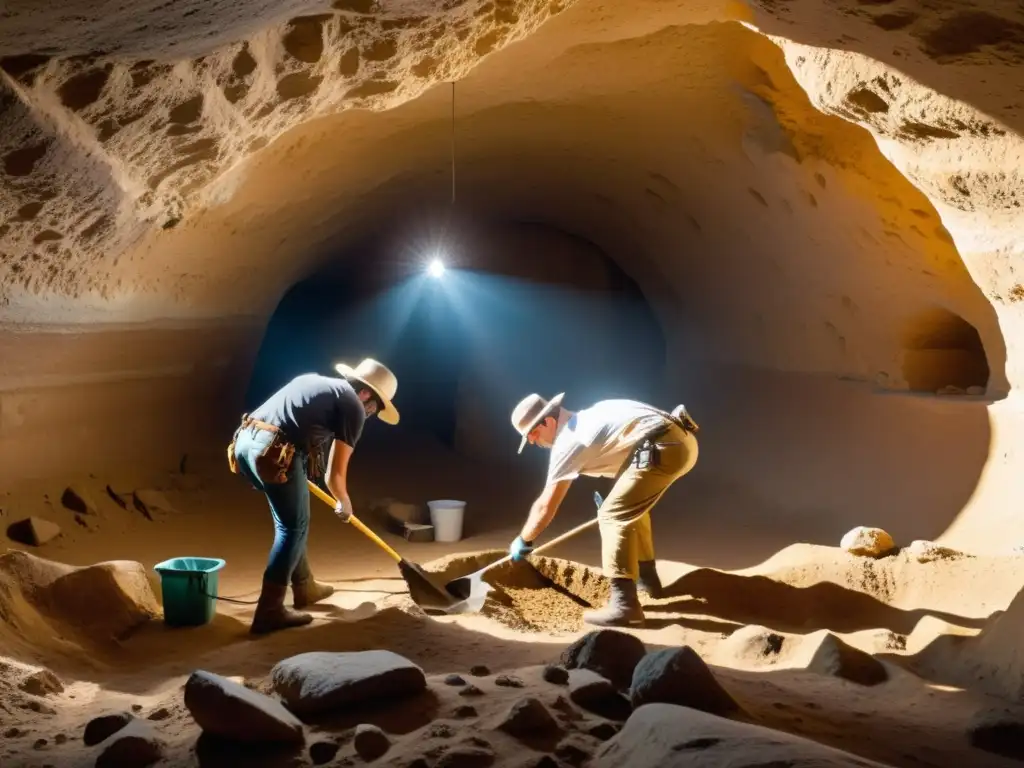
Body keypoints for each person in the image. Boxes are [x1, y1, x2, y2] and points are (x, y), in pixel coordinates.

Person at [228, 358, 400, 634]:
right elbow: (335, 474)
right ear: (366, 393)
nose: (370, 414)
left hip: (246, 444)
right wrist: (344, 501)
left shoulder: (314, 381)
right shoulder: (353, 406)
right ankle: (269, 611)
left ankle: (304, 585)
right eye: (374, 407)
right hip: (272, 450)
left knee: (293, 520)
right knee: (293, 527)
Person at [508, 392, 699, 627]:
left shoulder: (569, 438)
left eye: (533, 434)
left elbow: (545, 505)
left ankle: (624, 606)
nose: (533, 442)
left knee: (612, 515)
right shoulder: (593, 414)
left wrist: (524, 540)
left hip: (663, 445)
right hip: (680, 440)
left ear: (548, 421)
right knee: (628, 509)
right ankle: (648, 582)